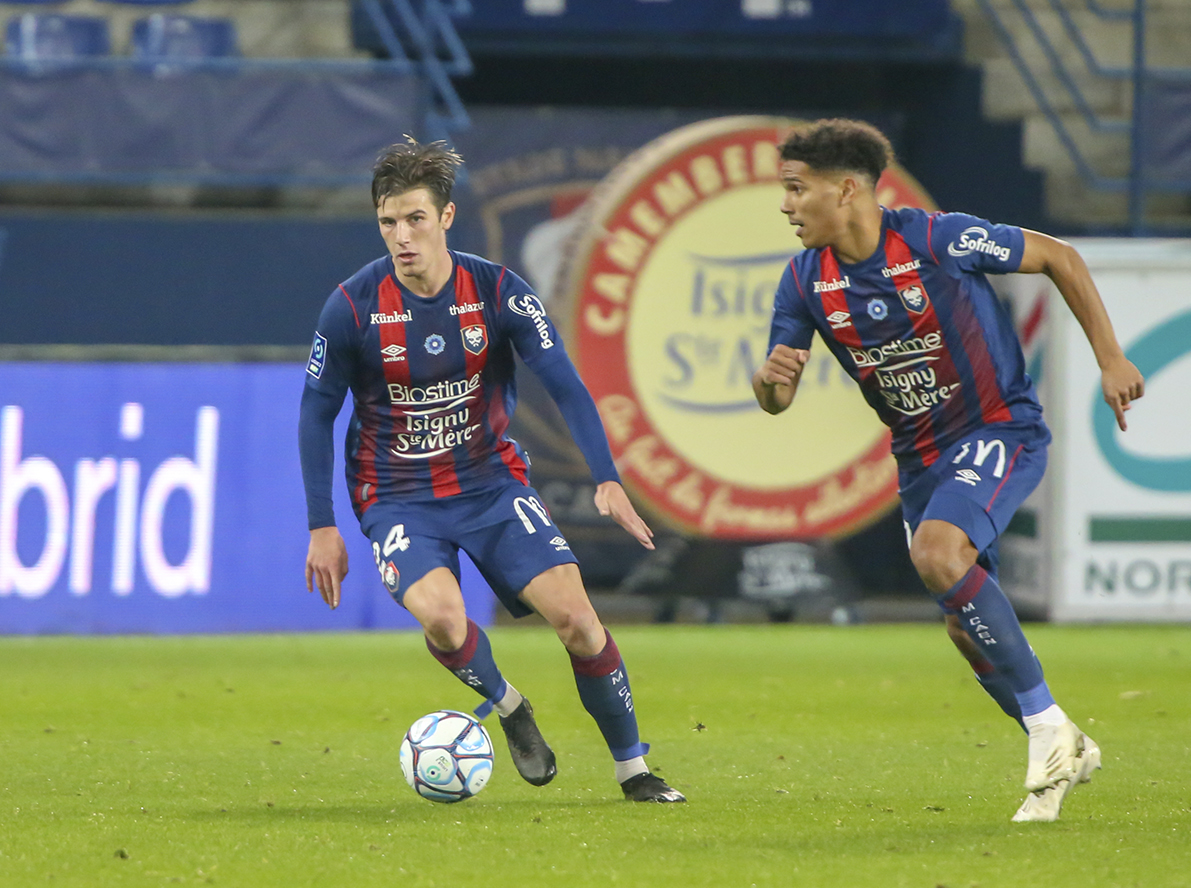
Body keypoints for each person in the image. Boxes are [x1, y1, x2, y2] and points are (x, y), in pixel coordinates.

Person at [753, 119, 1143, 822]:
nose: (785, 205)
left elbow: (1059, 256)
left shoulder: (937, 239)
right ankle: (1060, 747)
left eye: (794, 188)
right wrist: (770, 382)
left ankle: (1049, 724)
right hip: (922, 461)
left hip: (998, 430)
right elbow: (777, 400)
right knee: (965, 627)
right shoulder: (805, 280)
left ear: (847, 189)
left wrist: (1110, 357)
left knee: (938, 553)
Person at [299, 138, 685, 803]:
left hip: (490, 484)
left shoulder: (498, 291)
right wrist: (322, 525)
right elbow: (315, 412)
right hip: (395, 498)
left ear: (446, 218)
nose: (402, 236)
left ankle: (634, 769)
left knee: (579, 621)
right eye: (389, 222)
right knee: (446, 621)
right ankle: (510, 707)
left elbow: (565, 384)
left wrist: (606, 475)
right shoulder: (353, 307)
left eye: (415, 219)